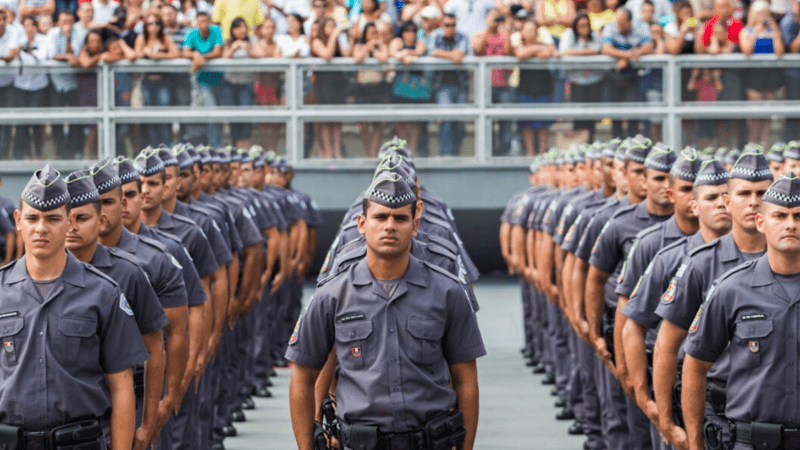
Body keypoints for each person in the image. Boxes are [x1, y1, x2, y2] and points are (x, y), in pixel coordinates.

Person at [287, 171, 486, 450]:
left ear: (415, 225)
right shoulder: (331, 295)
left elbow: (465, 381)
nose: (390, 226)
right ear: (361, 224)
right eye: (380, 217)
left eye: (400, 218)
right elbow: (302, 377)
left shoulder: (448, 293)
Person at [0, 164, 147, 450]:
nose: (41, 228)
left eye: (53, 218)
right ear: (18, 220)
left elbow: (121, 388)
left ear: (69, 222)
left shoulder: (103, 293)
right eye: (32, 218)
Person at [653, 151, 773, 450]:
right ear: (728, 202)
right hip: (718, 414)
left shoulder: (790, 262)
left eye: (762, 193)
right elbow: (667, 345)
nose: (754, 201)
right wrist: (666, 421)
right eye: (744, 193)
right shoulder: (701, 264)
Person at [680, 172, 800, 450]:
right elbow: (695, 365)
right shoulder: (731, 289)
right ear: (761, 223)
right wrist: (696, 443)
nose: (791, 225)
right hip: (752, 442)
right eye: (780, 216)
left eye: (799, 216)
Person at [64, 170, 170, 450]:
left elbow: (156, 349)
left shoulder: (129, 273)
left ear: (99, 221)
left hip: (122, 400)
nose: (71, 227)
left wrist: (147, 422)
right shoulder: (41, 276)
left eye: (82, 218)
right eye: (66, 218)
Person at [601, 8, 653, 138]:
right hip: (614, 75)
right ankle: (617, 143)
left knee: (633, 113)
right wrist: (626, 55)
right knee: (615, 114)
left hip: (633, 76)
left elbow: (648, 47)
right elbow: (606, 48)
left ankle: (632, 143)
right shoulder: (610, 26)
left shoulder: (641, 26)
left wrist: (627, 58)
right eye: (617, 23)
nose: (618, 27)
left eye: (621, 23)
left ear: (629, 21)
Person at [740, 0, 785, 147]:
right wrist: (756, 31)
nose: (762, 16)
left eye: (765, 13)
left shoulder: (773, 31)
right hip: (754, 75)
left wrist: (776, 32)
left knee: (767, 113)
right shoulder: (746, 31)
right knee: (755, 113)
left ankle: (764, 144)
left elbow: (779, 52)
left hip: (771, 75)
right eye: (759, 13)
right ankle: (753, 143)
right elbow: (746, 50)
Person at [136, 12, 180, 146]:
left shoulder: (164, 37)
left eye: (156, 23)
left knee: (163, 114)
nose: (153, 26)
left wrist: (158, 55)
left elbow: (176, 53)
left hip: (163, 81)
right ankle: (152, 147)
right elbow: (137, 54)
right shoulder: (142, 38)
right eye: (150, 23)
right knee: (150, 116)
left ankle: (165, 146)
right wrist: (145, 52)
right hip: (147, 81)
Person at [513, 19, 557, 156]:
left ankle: (543, 152)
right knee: (527, 122)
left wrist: (531, 51)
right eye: (527, 29)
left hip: (544, 86)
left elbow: (549, 53)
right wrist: (536, 49)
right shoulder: (519, 45)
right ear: (522, 33)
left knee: (544, 122)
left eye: (533, 29)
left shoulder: (545, 44)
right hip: (526, 87)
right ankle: (530, 152)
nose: (530, 32)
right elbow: (520, 54)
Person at [473, 8, 513, 156]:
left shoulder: (504, 36)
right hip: (484, 86)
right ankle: (487, 151)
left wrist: (508, 32)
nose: (495, 20)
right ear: (486, 18)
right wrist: (488, 29)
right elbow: (478, 50)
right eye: (492, 17)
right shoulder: (478, 35)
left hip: (502, 85)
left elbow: (508, 54)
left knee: (505, 120)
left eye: (497, 18)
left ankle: (504, 151)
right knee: (486, 123)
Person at [559, 12, 603, 142]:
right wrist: (587, 53)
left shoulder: (595, 35)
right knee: (578, 115)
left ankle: (590, 143)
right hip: (577, 81)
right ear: (576, 27)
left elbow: (598, 50)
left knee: (592, 115)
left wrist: (577, 53)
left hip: (595, 80)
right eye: (581, 25)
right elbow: (564, 52)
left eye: (586, 25)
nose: (584, 28)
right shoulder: (569, 34)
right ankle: (578, 144)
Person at [429, 13, 469, 156]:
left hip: (460, 85)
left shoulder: (462, 36)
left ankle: (455, 152)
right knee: (446, 119)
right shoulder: (435, 35)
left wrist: (446, 55)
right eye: (447, 25)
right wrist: (452, 55)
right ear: (442, 25)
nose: (450, 28)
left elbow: (462, 53)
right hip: (442, 86)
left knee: (460, 122)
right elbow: (433, 52)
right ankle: (446, 153)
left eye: (453, 25)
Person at [311, 16, 350, 159]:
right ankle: (327, 151)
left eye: (334, 26)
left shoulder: (338, 40)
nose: (332, 29)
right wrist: (334, 36)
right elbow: (327, 54)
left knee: (337, 118)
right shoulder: (317, 41)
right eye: (329, 26)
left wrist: (344, 38)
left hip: (338, 82)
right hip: (323, 83)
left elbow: (346, 54)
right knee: (326, 118)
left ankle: (336, 150)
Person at [182, 11, 223, 147]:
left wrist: (201, 58)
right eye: (200, 21)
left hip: (219, 80)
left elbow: (218, 52)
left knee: (221, 115)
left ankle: (219, 145)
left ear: (210, 21)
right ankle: (214, 146)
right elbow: (185, 51)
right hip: (203, 81)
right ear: (196, 22)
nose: (203, 24)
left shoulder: (216, 30)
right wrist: (195, 54)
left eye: (206, 21)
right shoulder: (191, 33)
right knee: (212, 113)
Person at [46, 10, 82, 160]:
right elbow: (52, 54)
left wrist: (68, 39)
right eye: (64, 21)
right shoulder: (52, 33)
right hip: (56, 83)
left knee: (75, 119)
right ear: (58, 22)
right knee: (57, 119)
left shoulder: (78, 33)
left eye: (70, 21)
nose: (67, 25)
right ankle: (61, 151)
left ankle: (73, 151)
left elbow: (77, 55)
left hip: (73, 82)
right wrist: (67, 56)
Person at [12, 15, 48, 160]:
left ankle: (38, 154)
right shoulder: (18, 41)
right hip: (21, 85)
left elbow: (42, 58)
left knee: (36, 122)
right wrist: (19, 50)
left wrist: (29, 51)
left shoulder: (43, 40)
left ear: (36, 27)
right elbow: (13, 57)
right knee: (23, 122)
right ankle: (24, 154)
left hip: (38, 86)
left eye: (32, 25)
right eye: (26, 25)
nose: (29, 28)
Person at [389, 20, 427, 153]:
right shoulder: (397, 42)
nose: (410, 33)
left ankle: (412, 151)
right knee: (402, 121)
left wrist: (406, 54)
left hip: (416, 88)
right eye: (407, 30)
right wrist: (403, 56)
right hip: (401, 88)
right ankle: (403, 152)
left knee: (415, 121)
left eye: (413, 30)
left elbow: (420, 51)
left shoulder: (420, 42)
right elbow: (393, 52)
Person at [352, 21, 388, 157]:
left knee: (377, 123)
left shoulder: (381, 46)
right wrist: (367, 47)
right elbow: (357, 58)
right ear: (365, 34)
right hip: (362, 88)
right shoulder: (359, 46)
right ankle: (368, 153)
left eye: (375, 33)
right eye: (371, 33)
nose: (374, 35)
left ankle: (374, 153)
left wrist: (374, 49)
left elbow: (384, 58)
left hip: (378, 87)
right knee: (363, 123)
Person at [220, 17, 257, 148]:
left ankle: (244, 147)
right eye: (238, 27)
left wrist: (247, 48)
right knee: (233, 117)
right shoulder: (228, 41)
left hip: (246, 83)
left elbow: (258, 54)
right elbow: (224, 56)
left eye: (244, 26)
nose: (242, 30)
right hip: (229, 84)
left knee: (246, 116)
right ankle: (235, 146)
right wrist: (234, 47)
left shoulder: (252, 40)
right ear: (233, 30)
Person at [0, 6, 21, 160]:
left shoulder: (13, 32)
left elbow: (10, 56)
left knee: (7, 120)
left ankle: (5, 153)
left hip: (9, 84)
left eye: (2, 19)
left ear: (6, 20)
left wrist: (5, 56)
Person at [781, 0, 800, 141]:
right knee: (793, 114)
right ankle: (791, 145)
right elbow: (794, 48)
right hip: (794, 75)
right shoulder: (789, 21)